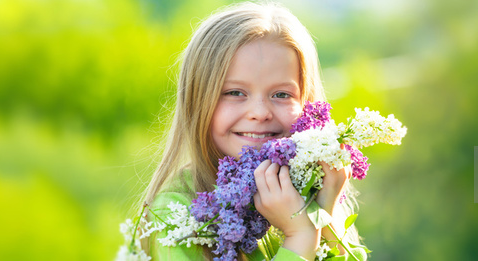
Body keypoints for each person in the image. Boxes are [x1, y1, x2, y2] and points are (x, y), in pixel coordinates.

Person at [135, 2, 367, 260]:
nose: (260, 112)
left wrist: (324, 213)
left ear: (307, 105)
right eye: (235, 93)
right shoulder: (176, 212)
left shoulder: (308, 189)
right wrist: (299, 236)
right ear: (197, 102)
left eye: (281, 94)